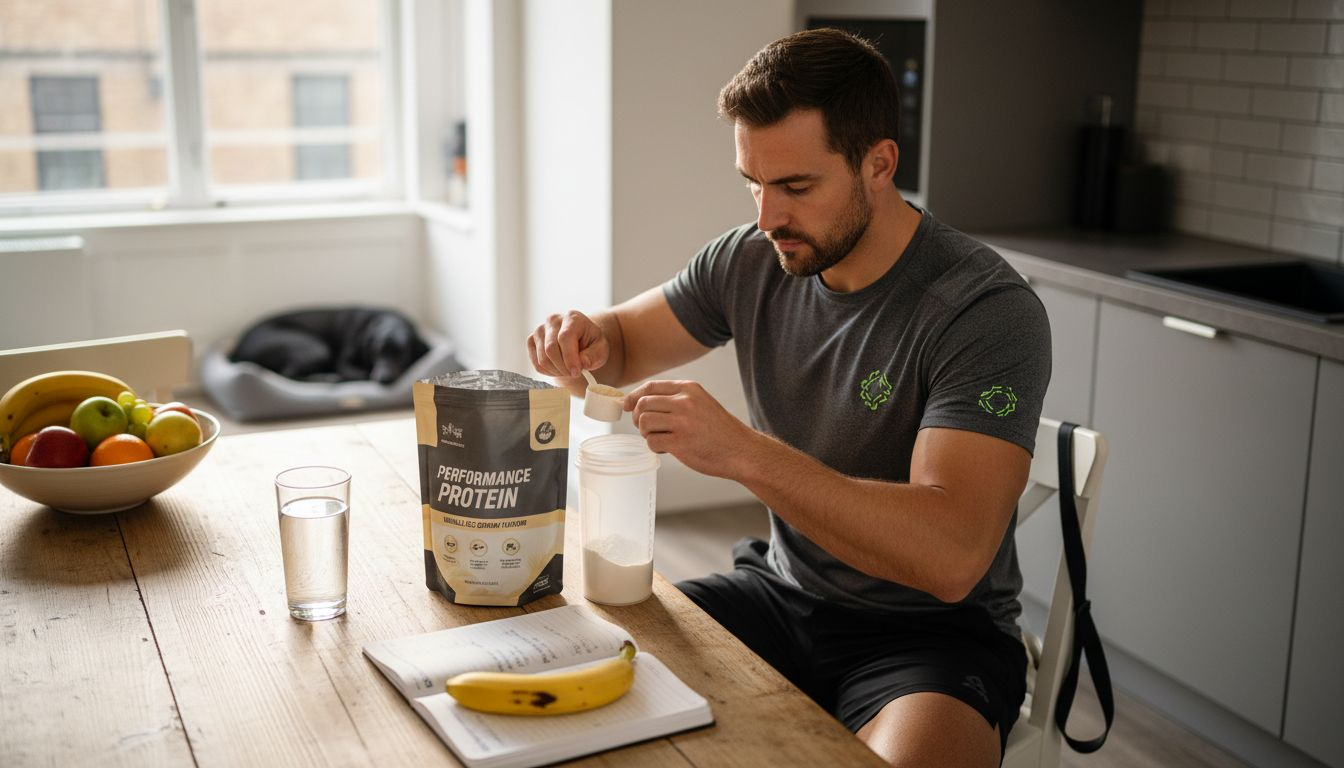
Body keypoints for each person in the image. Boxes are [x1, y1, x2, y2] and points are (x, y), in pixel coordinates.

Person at [527, 28, 1050, 768]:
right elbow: (623, 342)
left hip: (932, 637)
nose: (767, 217)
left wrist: (743, 454)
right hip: (778, 594)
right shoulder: (750, 258)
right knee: (573, 684)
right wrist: (582, 340)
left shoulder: (983, 309)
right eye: (753, 182)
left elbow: (953, 556)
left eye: (797, 187)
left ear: (879, 164)